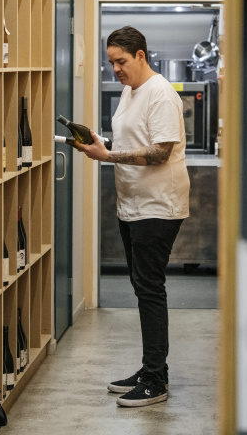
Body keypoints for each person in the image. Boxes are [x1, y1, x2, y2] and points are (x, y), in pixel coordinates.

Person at [75, 25, 190, 407]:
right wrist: (101, 144)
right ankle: (150, 369)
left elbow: (159, 153)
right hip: (133, 205)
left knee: (150, 289)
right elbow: (133, 142)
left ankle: (156, 380)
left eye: (121, 61)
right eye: (111, 62)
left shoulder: (161, 93)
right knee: (142, 288)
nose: (116, 69)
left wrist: (107, 156)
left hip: (157, 205)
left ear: (141, 55)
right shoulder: (130, 91)